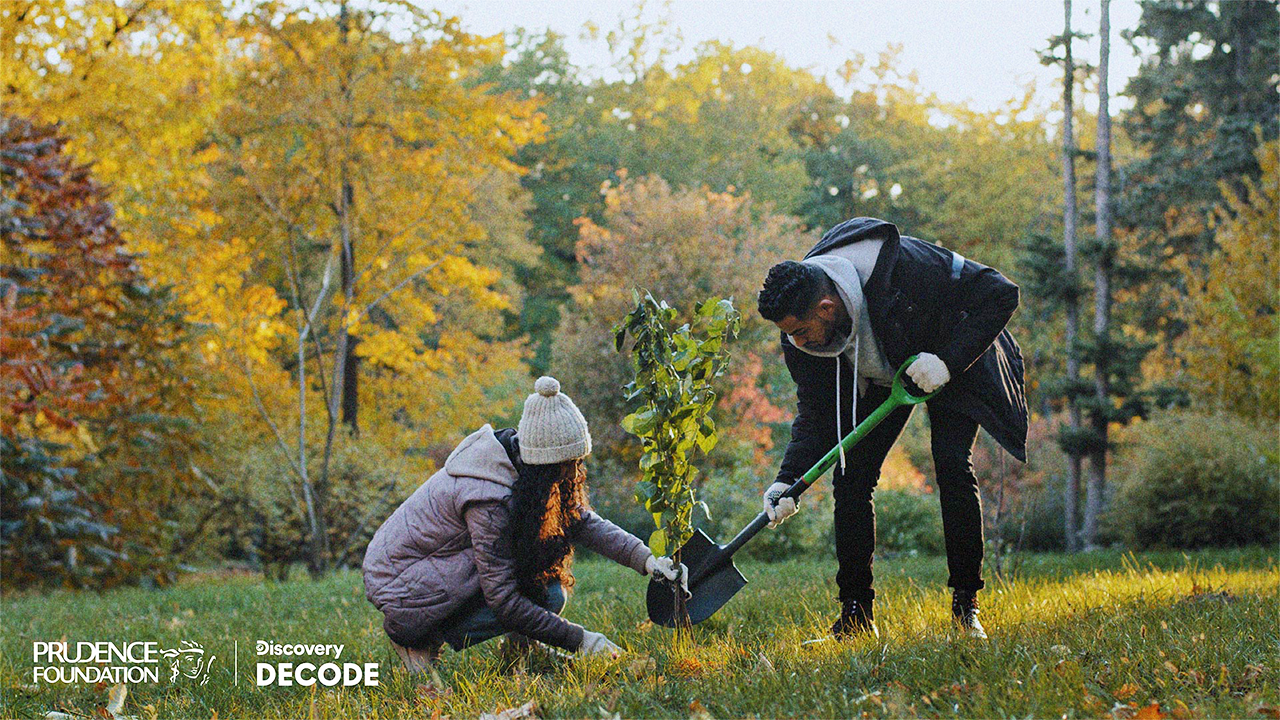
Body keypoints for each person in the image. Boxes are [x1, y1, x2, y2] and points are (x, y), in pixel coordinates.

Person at [755, 217, 1027, 641]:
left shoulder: (908, 267)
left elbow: (1001, 293)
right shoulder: (803, 336)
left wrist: (947, 363)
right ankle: (856, 616)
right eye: (790, 335)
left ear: (826, 308)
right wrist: (786, 480)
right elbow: (815, 413)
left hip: (954, 354)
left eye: (802, 332)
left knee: (953, 465)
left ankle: (965, 606)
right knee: (850, 479)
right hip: (884, 373)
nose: (798, 343)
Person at [362, 376, 681, 673]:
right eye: (565, 466)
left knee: (550, 593)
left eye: (576, 463)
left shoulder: (524, 465)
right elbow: (502, 599)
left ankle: (522, 650)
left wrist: (649, 561)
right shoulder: (488, 497)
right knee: (504, 565)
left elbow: (582, 521)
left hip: (432, 568)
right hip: (401, 581)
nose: (572, 474)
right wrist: (582, 641)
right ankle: (416, 637)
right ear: (542, 465)